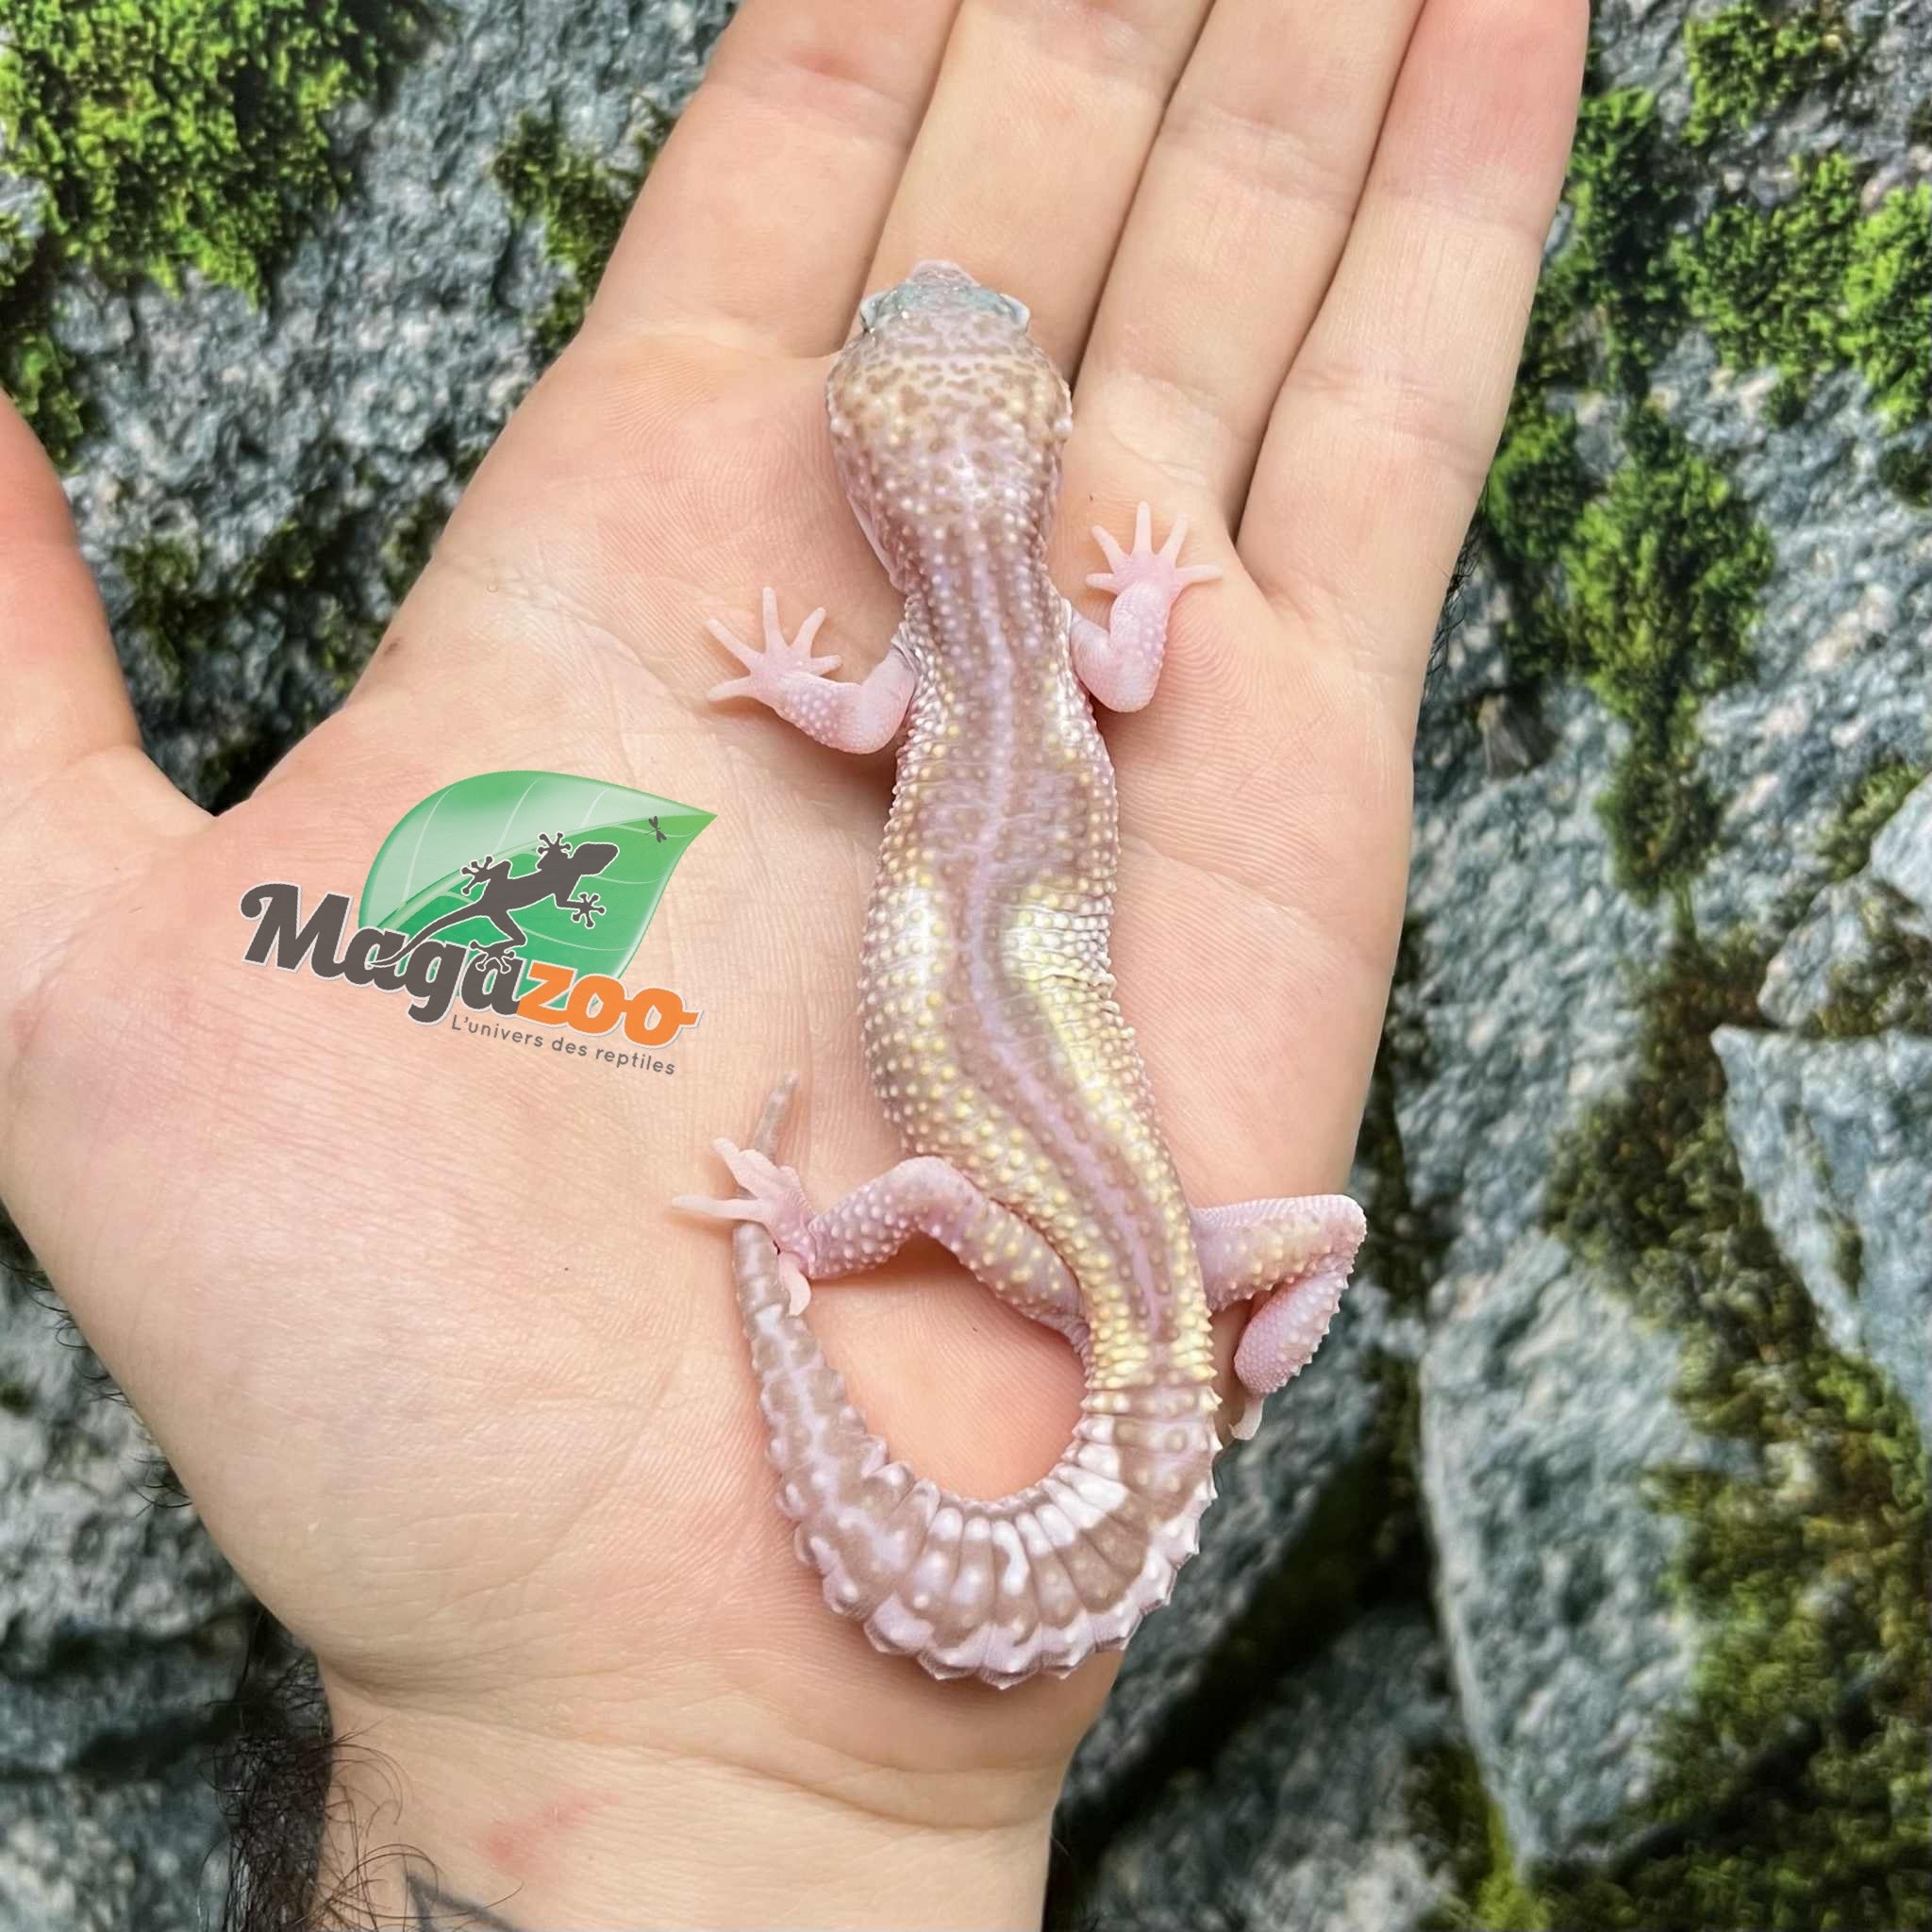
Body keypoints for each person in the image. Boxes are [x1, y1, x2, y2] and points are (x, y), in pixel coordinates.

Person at [0, 0, 1587, 1922]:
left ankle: (832, 1251)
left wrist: (808, 1220)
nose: (939, 296)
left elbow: (844, 719)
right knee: (1305, 1237)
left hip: (1096, 1257)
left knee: (1041, 1209)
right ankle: (1176, 1347)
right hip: (1161, 1262)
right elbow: (1130, 661)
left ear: (876, 485)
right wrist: (1202, 1351)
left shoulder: (924, 672)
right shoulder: (1052, 654)